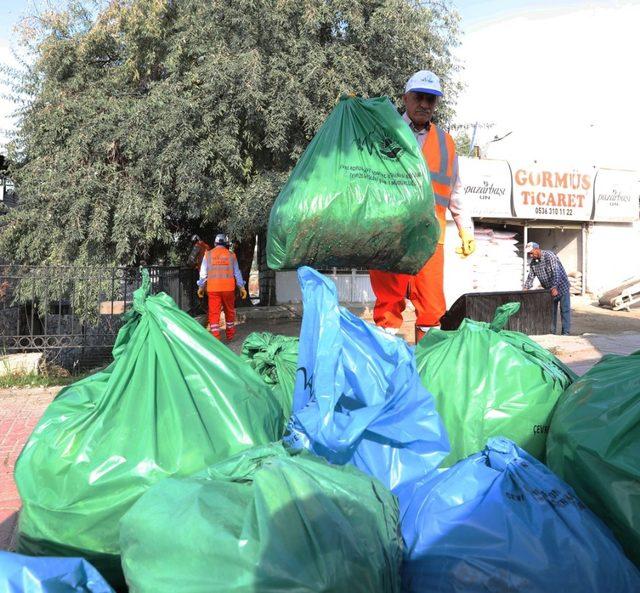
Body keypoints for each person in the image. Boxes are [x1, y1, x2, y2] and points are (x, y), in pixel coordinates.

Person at [369, 70, 475, 343]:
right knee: (388, 305)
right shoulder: (383, 133)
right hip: (390, 235)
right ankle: (388, 365)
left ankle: (426, 368)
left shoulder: (446, 143)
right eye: (419, 97)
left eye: (431, 99)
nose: (425, 104)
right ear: (406, 98)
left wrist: (466, 229)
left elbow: (456, 190)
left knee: (431, 308)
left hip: (431, 238)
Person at [197, 234, 248, 341]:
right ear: (226, 244)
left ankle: (216, 338)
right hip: (228, 289)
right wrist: (241, 287)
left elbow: (203, 274)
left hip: (213, 290)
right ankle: (230, 336)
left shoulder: (208, 255)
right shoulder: (231, 255)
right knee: (229, 312)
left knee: (214, 313)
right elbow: (237, 273)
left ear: (215, 243)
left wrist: (201, 287)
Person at [523, 242, 571, 335]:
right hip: (549, 290)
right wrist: (526, 288)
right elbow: (530, 277)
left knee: (565, 310)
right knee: (551, 313)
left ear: (537, 249)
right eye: (529, 253)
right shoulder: (533, 263)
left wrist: (554, 287)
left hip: (561, 287)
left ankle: (565, 333)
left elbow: (556, 272)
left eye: (531, 252)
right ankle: (551, 333)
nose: (530, 255)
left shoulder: (549, 256)